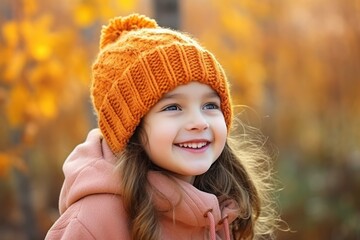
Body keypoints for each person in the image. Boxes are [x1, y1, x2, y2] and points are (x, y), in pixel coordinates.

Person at [45, 13, 279, 240]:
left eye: (210, 105)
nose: (199, 122)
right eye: (173, 108)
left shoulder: (224, 207)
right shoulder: (93, 223)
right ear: (131, 128)